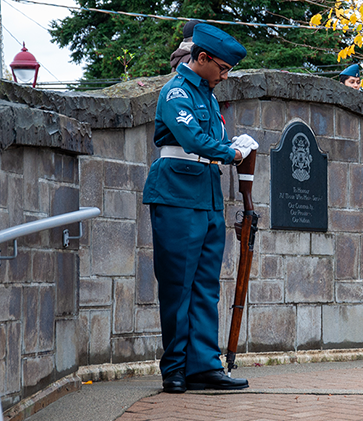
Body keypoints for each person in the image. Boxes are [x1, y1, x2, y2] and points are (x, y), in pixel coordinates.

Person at [143, 23, 258, 393]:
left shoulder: (207, 94)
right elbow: (192, 138)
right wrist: (231, 151)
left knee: (207, 286)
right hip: (177, 193)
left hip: (206, 194)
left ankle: (204, 365)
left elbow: (213, 138)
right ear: (202, 58)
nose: (225, 76)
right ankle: (175, 369)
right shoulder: (176, 91)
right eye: (222, 68)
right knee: (179, 284)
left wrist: (232, 143)